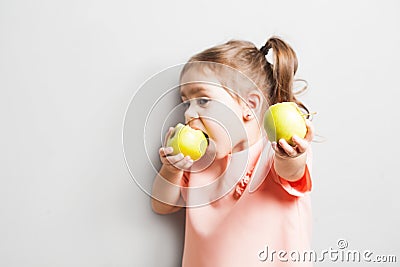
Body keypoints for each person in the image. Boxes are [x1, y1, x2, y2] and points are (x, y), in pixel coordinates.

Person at [151, 36, 315, 267]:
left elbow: (291, 171)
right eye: (186, 102)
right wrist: (171, 170)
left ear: (249, 105)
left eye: (203, 100)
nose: (188, 114)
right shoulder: (199, 163)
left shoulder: (275, 152)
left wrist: (291, 155)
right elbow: (162, 204)